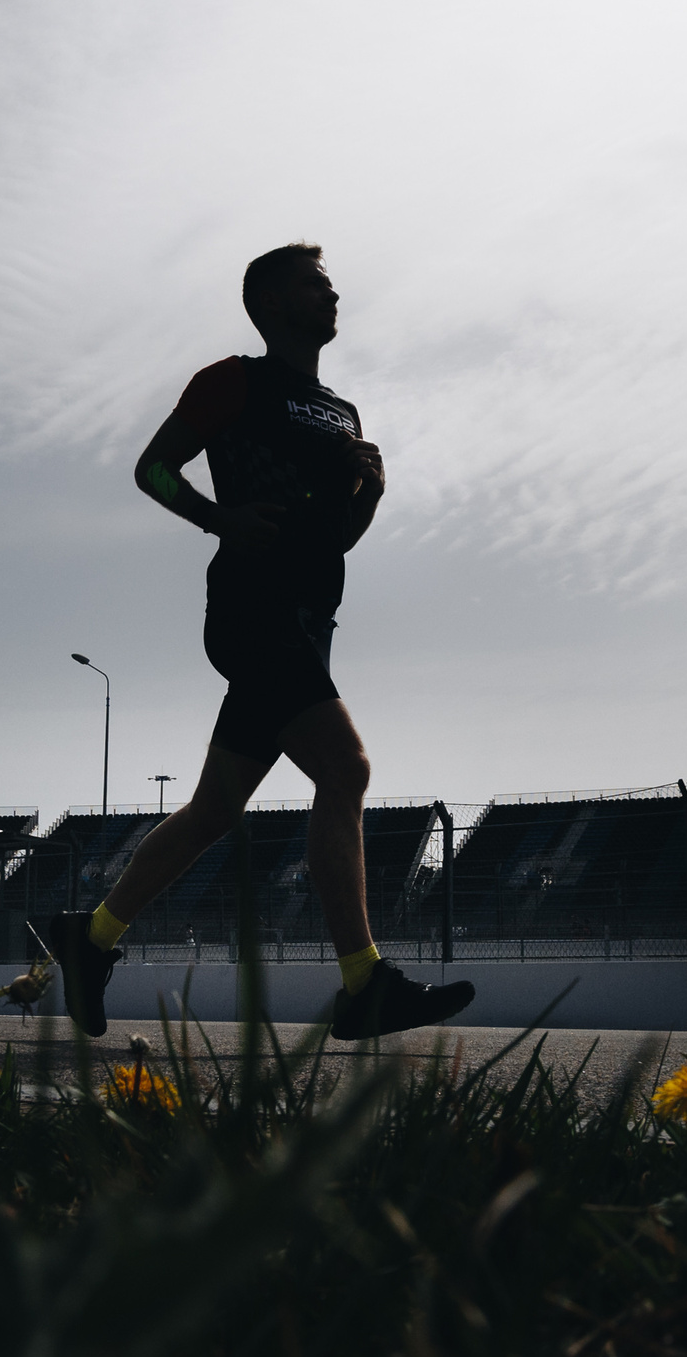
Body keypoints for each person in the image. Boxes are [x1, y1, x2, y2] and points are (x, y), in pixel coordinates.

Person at [46, 243, 475, 1041]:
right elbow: (153, 469)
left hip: (312, 622)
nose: (333, 293)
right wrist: (219, 518)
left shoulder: (344, 412)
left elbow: (335, 537)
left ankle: (91, 938)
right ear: (271, 302)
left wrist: (370, 495)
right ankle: (363, 982)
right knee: (346, 766)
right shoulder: (232, 380)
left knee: (213, 810)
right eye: (316, 284)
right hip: (251, 609)